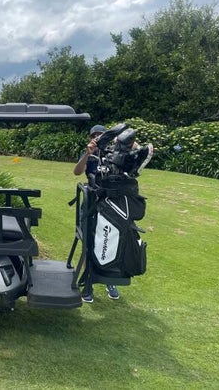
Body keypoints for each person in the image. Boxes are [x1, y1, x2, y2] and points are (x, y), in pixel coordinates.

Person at [73, 124, 120, 303]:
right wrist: (88, 154)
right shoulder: (90, 153)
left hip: (109, 203)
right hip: (91, 200)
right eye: (95, 135)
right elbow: (77, 171)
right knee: (88, 242)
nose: (98, 138)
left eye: (101, 135)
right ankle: (89, 282)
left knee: (110, 241)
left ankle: (109, 280)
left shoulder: (113, 154)